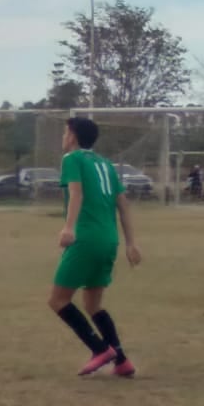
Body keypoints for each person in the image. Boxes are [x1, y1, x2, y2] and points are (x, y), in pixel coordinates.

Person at [47, 117, 143, 378]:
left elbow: (76, 193)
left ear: (73, 136)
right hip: (109, 240)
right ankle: (121, 361)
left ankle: (100, 350)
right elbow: (123, 204)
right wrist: (131, 243)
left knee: (57, 300)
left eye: (66, 132)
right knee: (93, 304)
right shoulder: (106, 164)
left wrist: (68, 228)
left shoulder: (72, 159)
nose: (63, 137)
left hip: (86, 239)